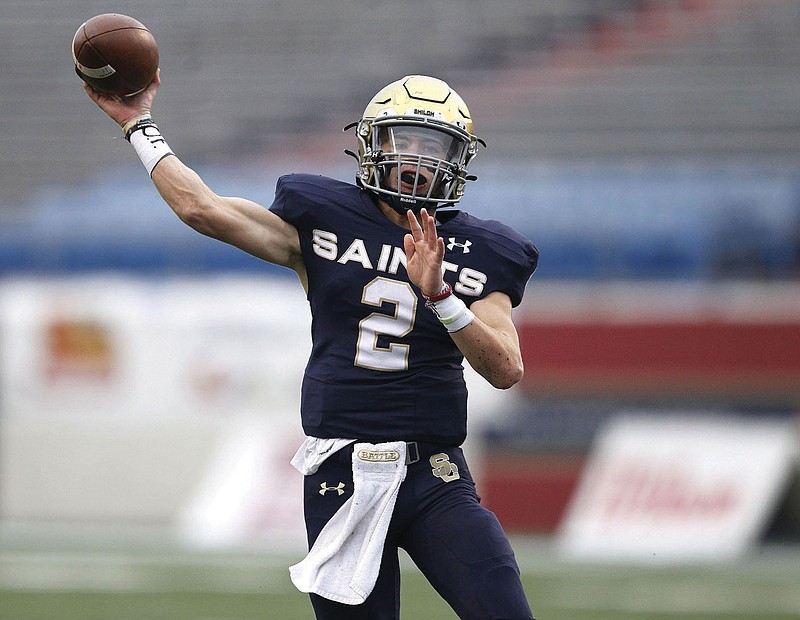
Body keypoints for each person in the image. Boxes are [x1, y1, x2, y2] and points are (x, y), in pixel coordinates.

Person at [83, 71, 538, 619]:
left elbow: (506, 367)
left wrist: (440, 294)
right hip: (341, 471)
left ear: (458, 159)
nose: (417, 161)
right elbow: (201, 208)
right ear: (374, 144)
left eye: (433, 146)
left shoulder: (480, 249)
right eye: (405, 142)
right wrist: (138, 123)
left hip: (434, 474)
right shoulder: (323, 215)